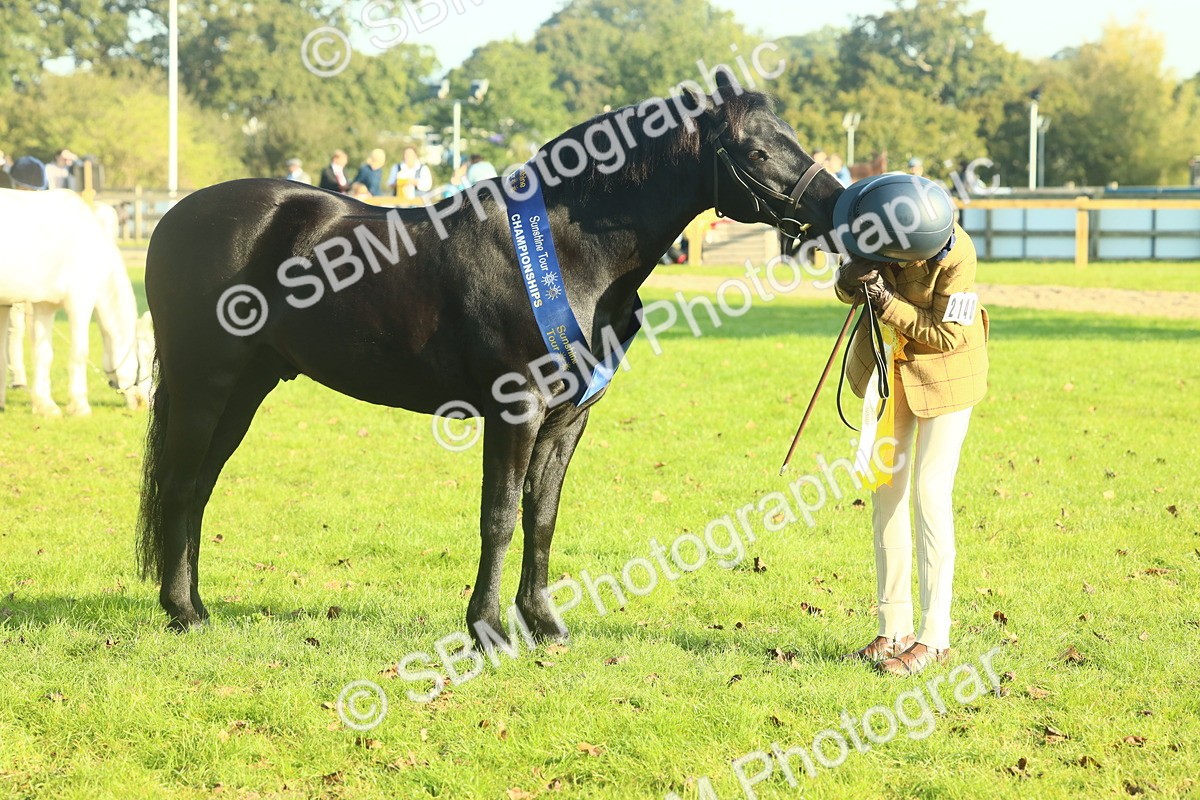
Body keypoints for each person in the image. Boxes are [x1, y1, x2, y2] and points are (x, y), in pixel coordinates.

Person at [833, 174, 989, 677]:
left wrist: (884, 300)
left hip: (947, 375)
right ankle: (892, 626)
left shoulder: (957, 255)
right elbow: (844, 292)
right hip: (889, 368)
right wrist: (851, 279)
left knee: (928, 490)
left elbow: (944, 335)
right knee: (887, 491)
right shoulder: (877, 221)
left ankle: (935, 636)